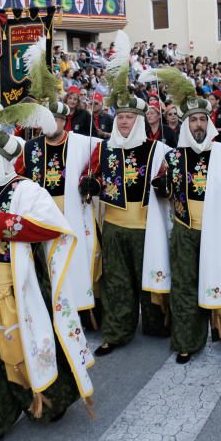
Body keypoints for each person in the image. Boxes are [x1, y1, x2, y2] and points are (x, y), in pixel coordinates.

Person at [0, 108, 94, 441]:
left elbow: (56, 228)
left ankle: (55, 399)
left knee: (21, 359)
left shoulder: (26, 191)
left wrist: (5, 223)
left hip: (10, 294)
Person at [150, 69, 221, 364]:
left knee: (218, 277)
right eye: (192, 120)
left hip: (215, 230)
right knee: (184, 286)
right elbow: (162, 189)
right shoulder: (174, 156)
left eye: (202, 119)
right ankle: (186, 342)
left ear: (209, 122)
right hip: (184, 229)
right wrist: (161, 186)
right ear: (185, 124)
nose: (197, 125)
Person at [79, 43, 171, 357]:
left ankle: (158, 325)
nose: (123, 122)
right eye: (120, 116)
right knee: (117, 283)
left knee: (150, 278)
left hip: (147, 229)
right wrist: (88, 184)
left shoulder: (157, 150)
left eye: (130, 117)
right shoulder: (103, 150)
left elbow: (171, 185)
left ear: (140, 120)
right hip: (115, 228)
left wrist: (165, 184)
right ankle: (117, 331)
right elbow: (88, 178)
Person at [14, 47, 99, 323]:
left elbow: (101, 162)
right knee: (48, 267)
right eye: (49, 119)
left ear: (66, 121)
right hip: (43, 216)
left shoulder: (82, 143)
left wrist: (91, 180)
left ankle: (81, 310)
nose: (54, 123)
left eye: (59, 119)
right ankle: (50, 312)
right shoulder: (30, 147)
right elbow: (17, 179)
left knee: (76, 263)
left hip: (72, 213)